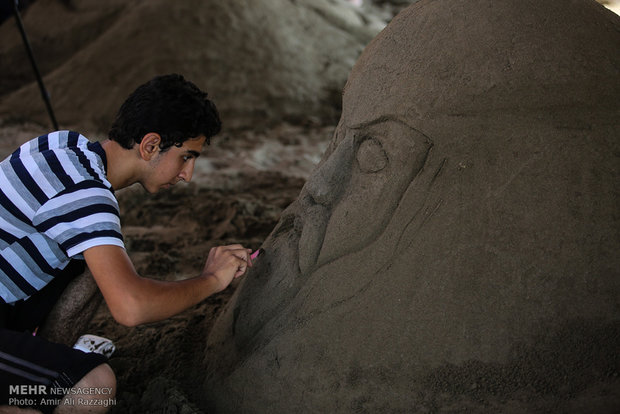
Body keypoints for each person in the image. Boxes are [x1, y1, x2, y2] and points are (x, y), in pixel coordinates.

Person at [0, 73, 253, 413]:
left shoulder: (64, 145)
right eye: (186, 157)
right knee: (93, 388)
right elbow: (131, 307)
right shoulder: (87, 194)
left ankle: (36, 374)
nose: (187, 175)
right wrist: (211, 280)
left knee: (96, 263)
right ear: (150, 145)